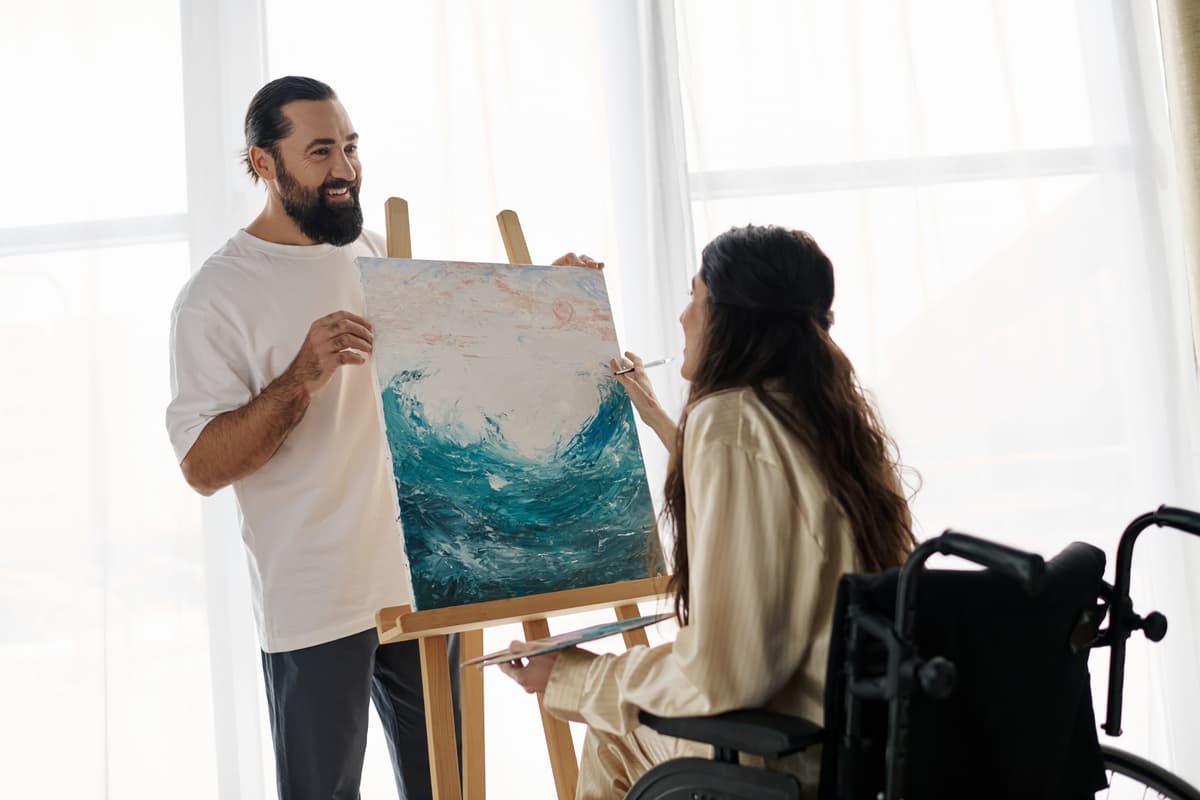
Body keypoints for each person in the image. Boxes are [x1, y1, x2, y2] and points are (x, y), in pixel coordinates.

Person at [166, 75, 599, 800]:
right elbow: (203, 467)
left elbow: (452, 357)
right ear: (263, 165)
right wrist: (299, 377)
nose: (344, 169)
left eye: (350, 146)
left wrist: (542, 299)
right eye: (320, 151)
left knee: (452, 788)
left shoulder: (374, 250)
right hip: (316, 597)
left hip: (427, 575)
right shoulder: (216, 297)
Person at [499, 224, 915, 798]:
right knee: (620, 723)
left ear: (729, 315)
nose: (683, 316)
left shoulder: (729, 421)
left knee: (611, 729)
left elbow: (722, 674)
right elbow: (755, 501)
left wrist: (573, 676)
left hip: (781, 753)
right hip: (856, 749)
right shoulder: (827, 423)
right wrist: (650, 411)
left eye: (695, 296)